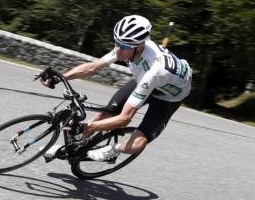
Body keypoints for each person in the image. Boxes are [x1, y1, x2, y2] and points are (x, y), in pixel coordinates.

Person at [42, 14, 193, 162]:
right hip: (146, 81)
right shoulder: (127, 46)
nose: (118, 49)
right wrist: (60, 77)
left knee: (137, 143)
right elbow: (92, 67)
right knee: (105, 115)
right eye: (117, 42)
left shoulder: (154, 71)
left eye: (124, 46)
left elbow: (125, 119)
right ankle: (68, 147)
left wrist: (84, 127)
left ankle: (114, 150)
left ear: (140, 46)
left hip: (167, 97)